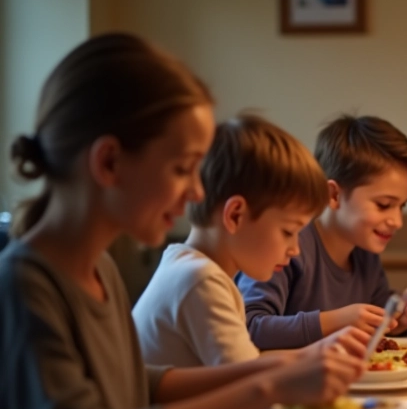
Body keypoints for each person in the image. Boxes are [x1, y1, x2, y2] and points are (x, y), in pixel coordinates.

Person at [0, 33, 367, 409]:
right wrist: (267, 386)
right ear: (109, 162)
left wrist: (280, 364)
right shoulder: (24, 286)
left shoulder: (101, 269)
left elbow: (138, 385)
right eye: (182, 168)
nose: (197, 192)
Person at [133, 114, 329, 367]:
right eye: (288, 232)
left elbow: (247, 367)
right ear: (235, 215)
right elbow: (250, 383)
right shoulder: (201, 280)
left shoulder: (188, 266)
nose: (295, 250)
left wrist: (316, 353)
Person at [238, 115, 407, 350]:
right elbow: (248, 328)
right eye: (384, 205)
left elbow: (379, 331)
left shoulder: (365, 254)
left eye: (402, 206)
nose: (397, 221)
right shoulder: (287, 245)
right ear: (334, 195)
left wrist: (400, 319)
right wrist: (337, 321)